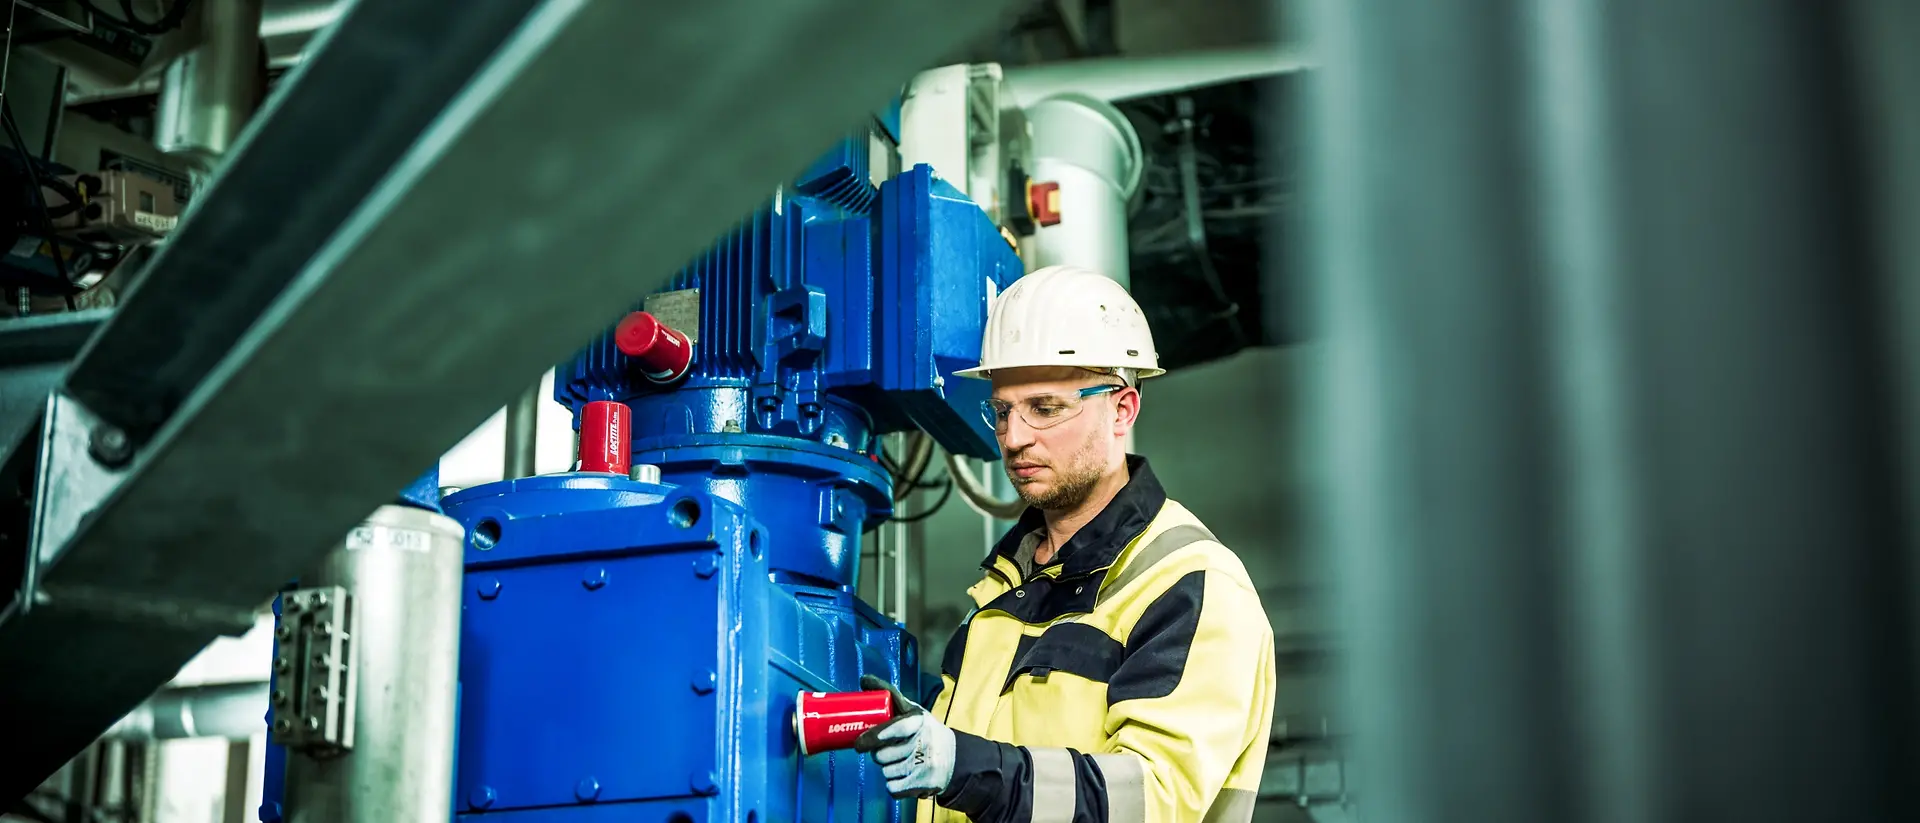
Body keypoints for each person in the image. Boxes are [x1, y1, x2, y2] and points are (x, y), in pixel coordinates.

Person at [853, 265, 1278, 823]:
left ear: (1122, 408)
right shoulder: (1001, 597)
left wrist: (962, 766)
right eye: (1002, 411)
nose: (1013, 437)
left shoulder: (1189, 584)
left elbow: (1145, 801)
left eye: (1046, 408)